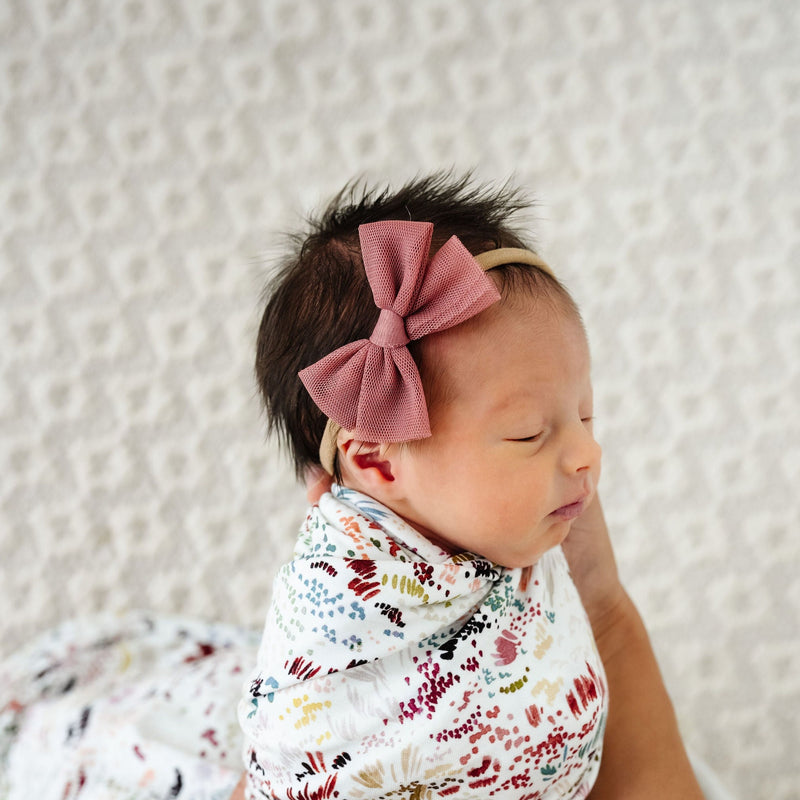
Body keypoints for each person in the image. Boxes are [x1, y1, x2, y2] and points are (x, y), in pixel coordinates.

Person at [233, 173, 705, 799]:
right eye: (529, 434)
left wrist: (601, 597)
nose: (588, 453)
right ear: (378, 463)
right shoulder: (332, 624)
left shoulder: (519, 527)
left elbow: (601, 624)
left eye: (585, 414)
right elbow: (293, 762)